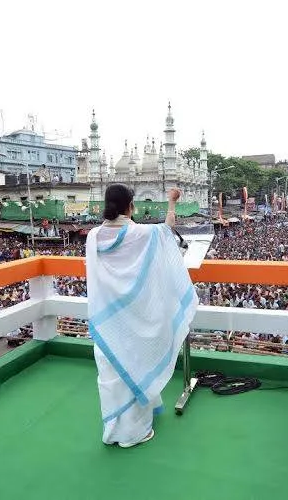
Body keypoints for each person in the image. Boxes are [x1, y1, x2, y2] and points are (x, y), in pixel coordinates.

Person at [86, 184, 195, 448]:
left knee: (114, 376)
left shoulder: (92, 236)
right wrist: (171, 201)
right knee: (135, 366)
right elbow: (168, 228)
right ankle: (133, 433)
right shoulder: (141, 233)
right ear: (130, 206)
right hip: (135, 320)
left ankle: (113, 431)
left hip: (110, 322)